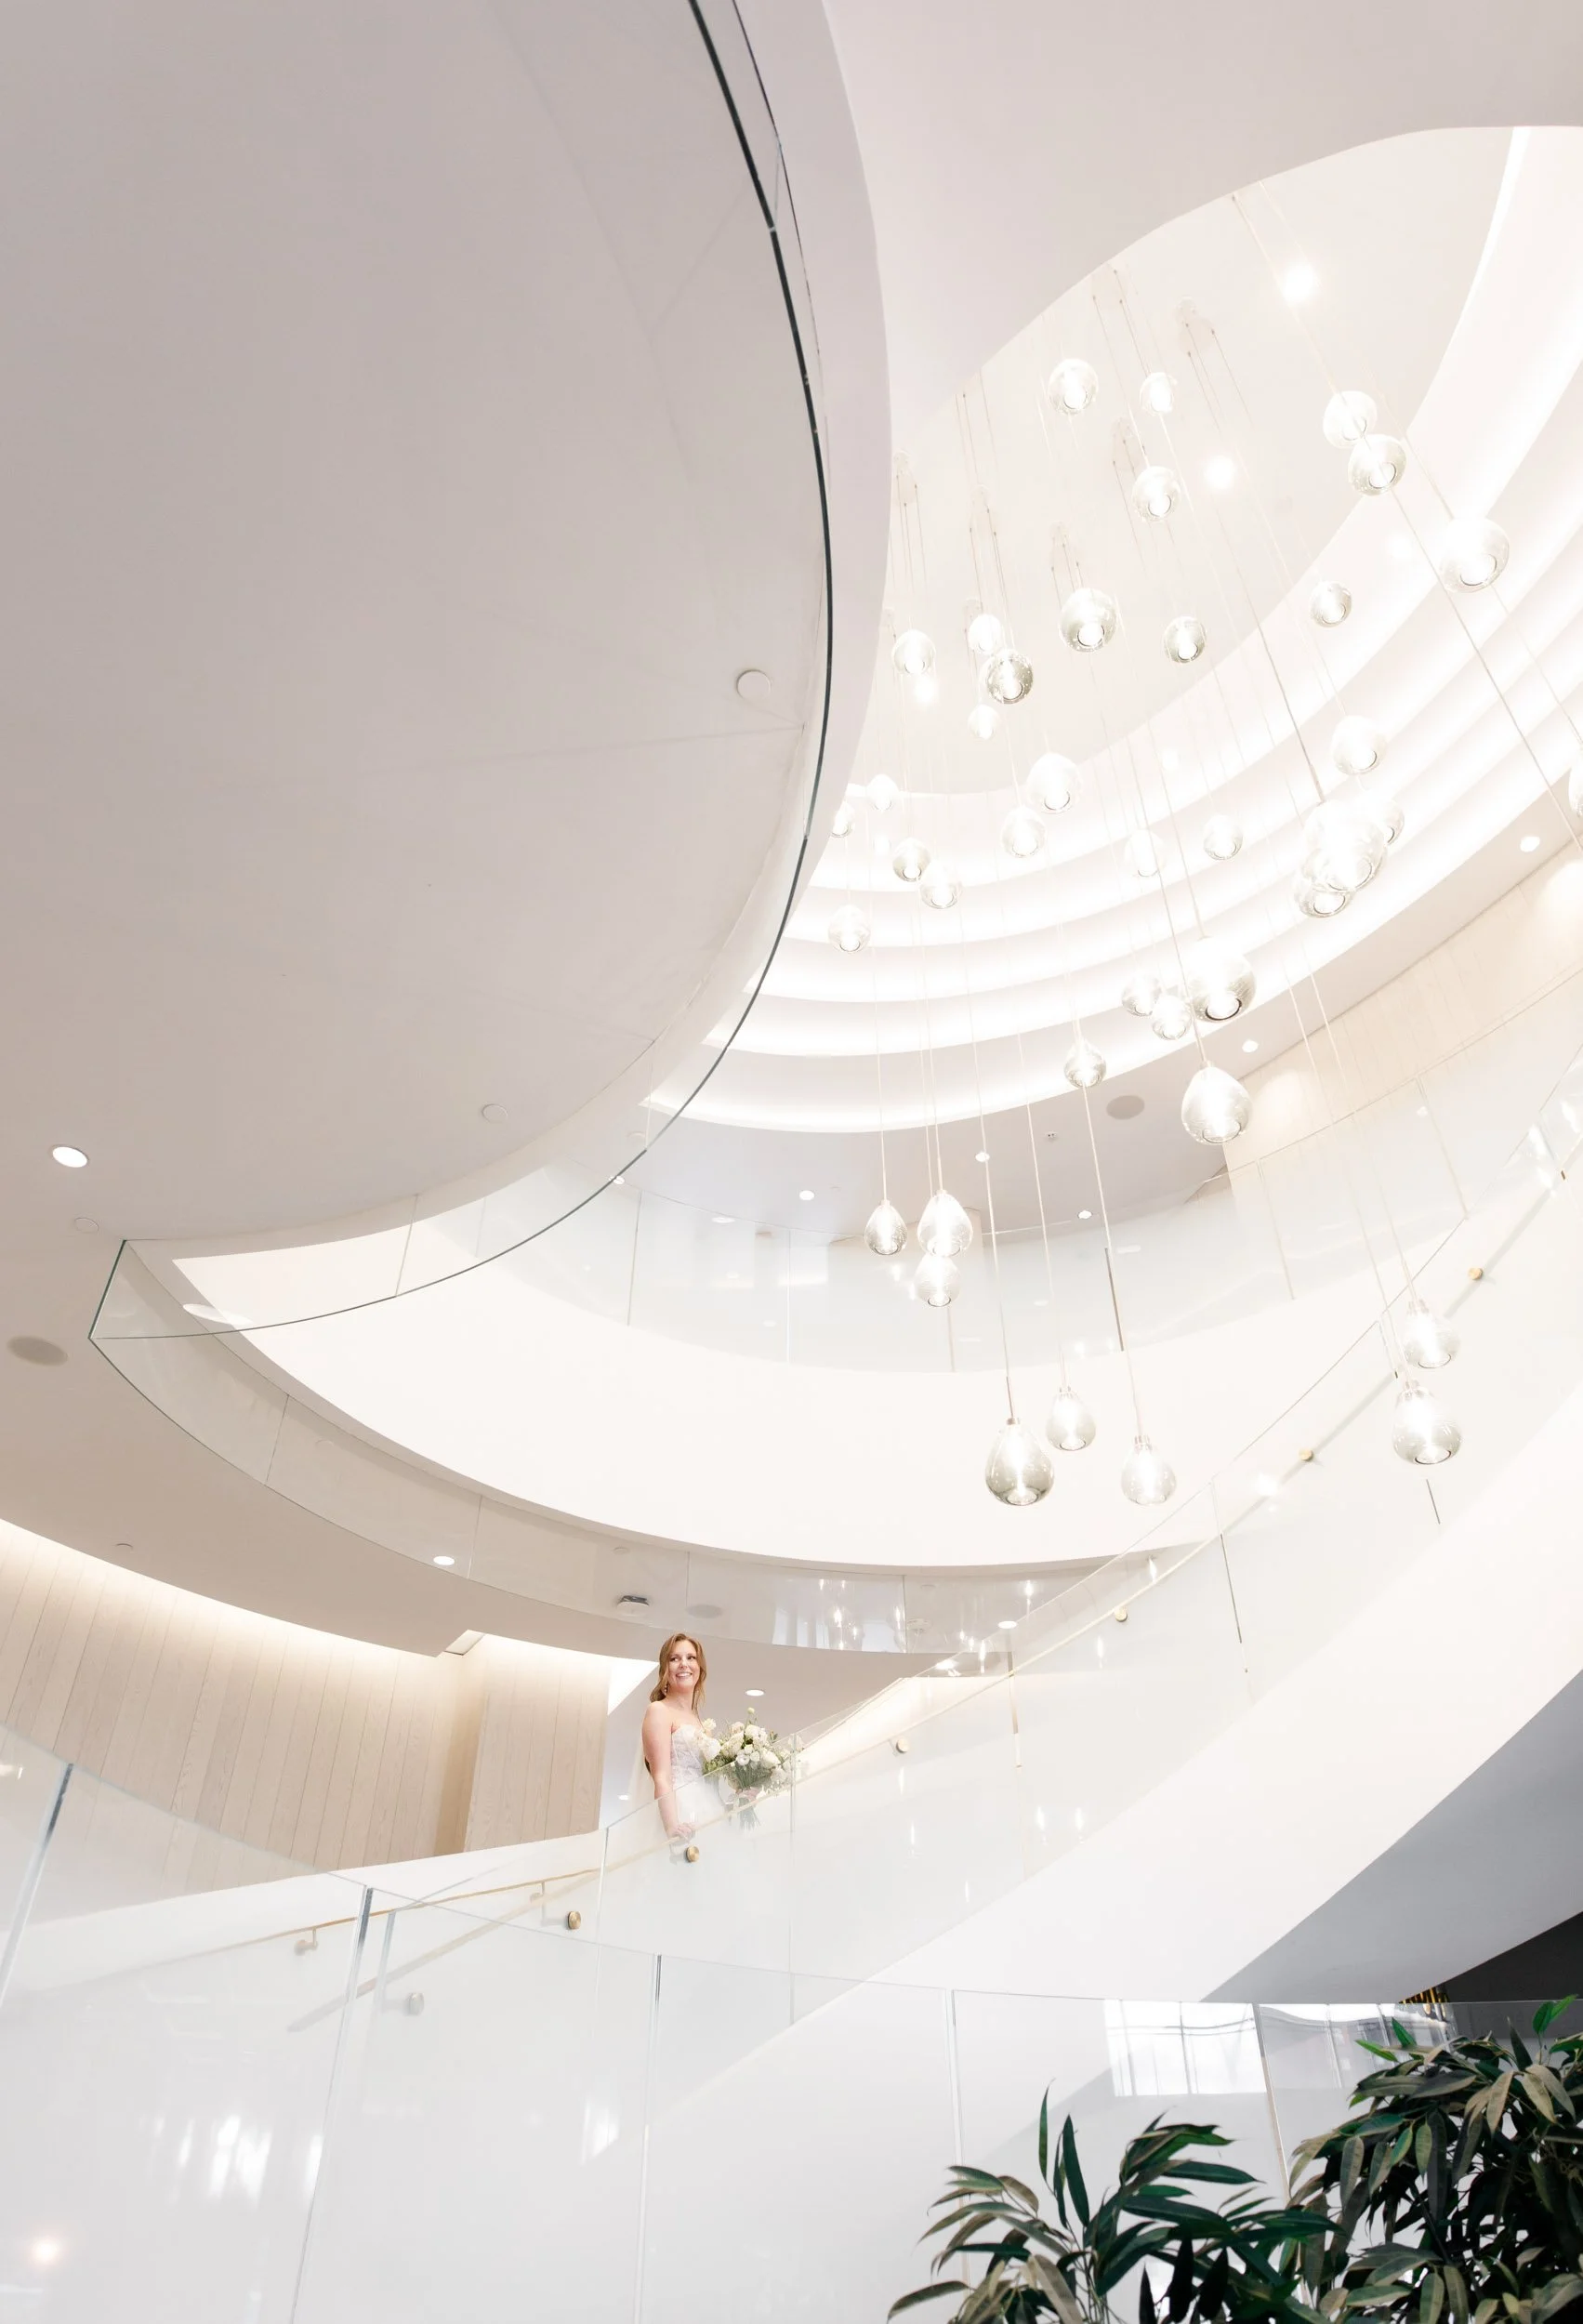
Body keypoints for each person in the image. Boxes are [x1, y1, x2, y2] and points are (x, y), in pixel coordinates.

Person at [640, 1632, 711, 1841]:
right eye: (674, 1659)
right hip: (677, 1813)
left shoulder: (700, 1723)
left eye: (691, 1658)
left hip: (705, 1815)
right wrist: (672, 1827)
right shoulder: (659, 1710)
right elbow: (661, 1776)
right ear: (665, 1669)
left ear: (700, 1667)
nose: (683, 1664)